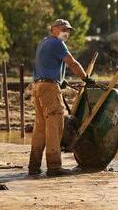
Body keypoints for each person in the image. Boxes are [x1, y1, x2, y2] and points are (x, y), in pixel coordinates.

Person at [28, 19, 92, 176]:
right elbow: (73, 63)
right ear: (54, 29)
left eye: (69, 30)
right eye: (64, 29)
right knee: (55, 126)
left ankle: (34, 166)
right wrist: (86, 78)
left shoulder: (43, 43)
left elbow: (45, 65)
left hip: (38, 87)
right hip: (49, 88)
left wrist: (61, 81)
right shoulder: (57, 43)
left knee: (41, 128)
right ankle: (54, 167)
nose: (67, 32)